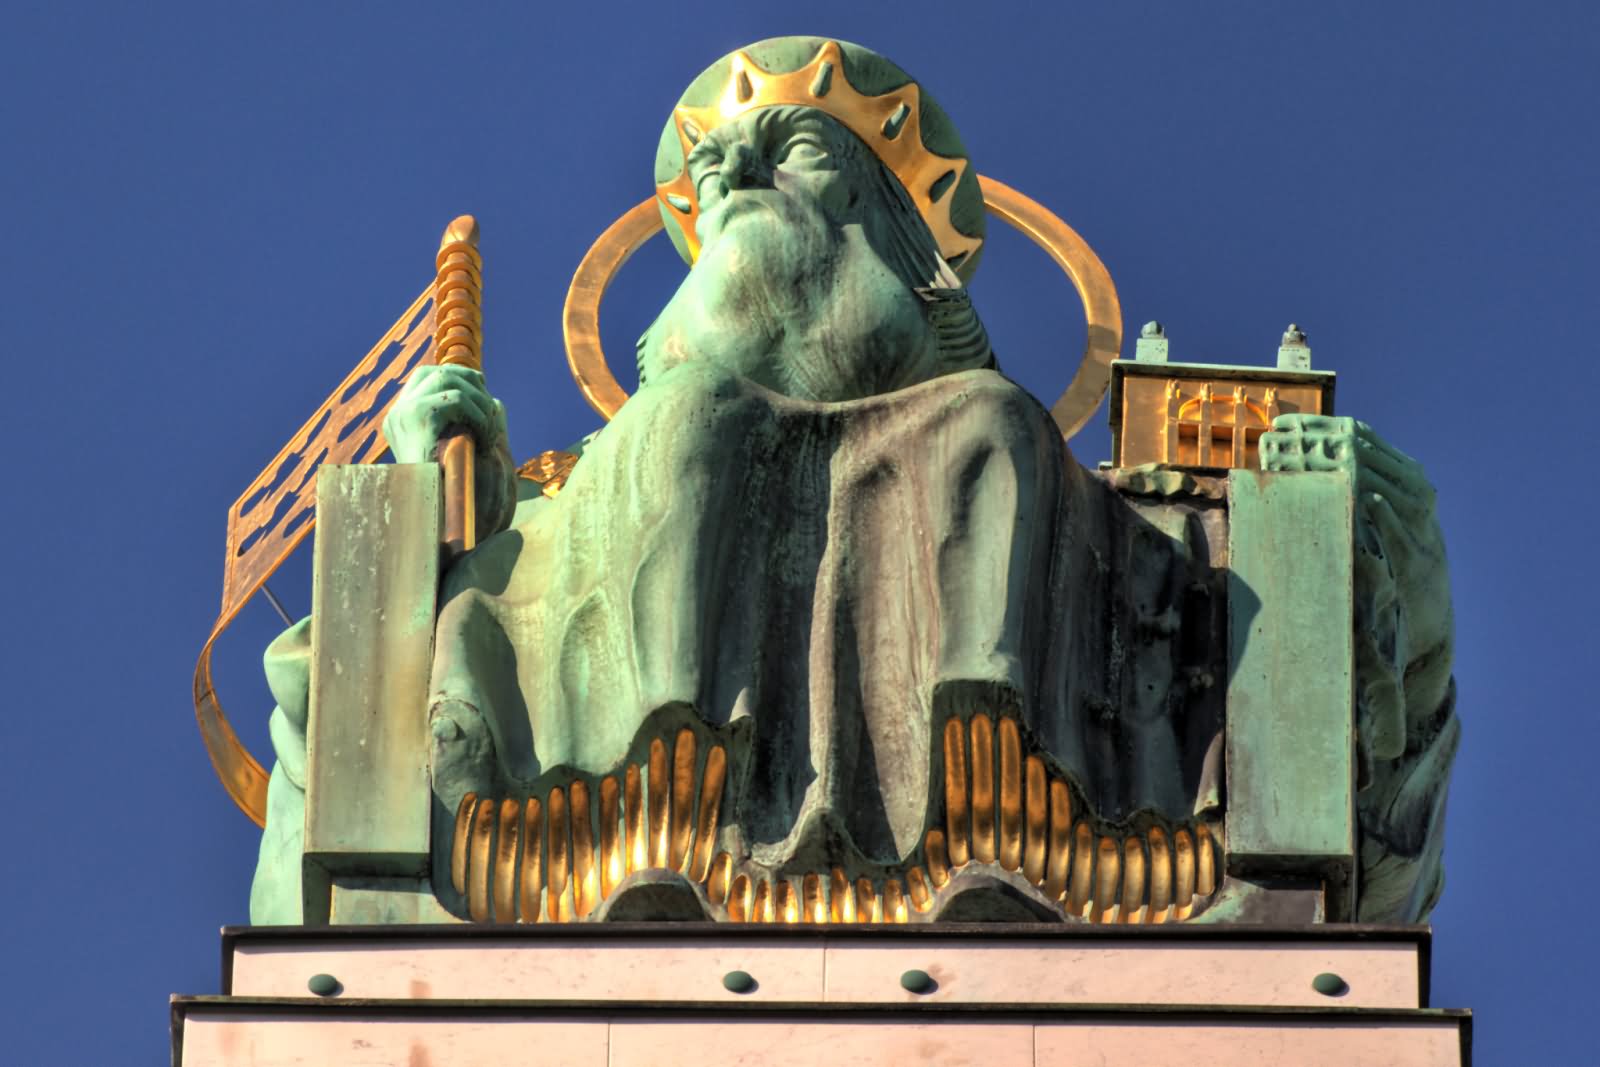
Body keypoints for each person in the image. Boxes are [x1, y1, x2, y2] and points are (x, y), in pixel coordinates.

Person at [251, 37, 1456, 926]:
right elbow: (334, 694)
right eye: (717, 169)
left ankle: (995, 823)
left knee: (987, 421)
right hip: (590, 857)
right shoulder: (556, 496)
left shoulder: (1082, 494)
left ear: (888, 225)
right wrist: (422, 499)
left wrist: (1350, 519)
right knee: (689, 414)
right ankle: (653, 818)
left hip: (1039, 858)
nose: (738, 185)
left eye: (792, 153)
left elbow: (1377, 742)